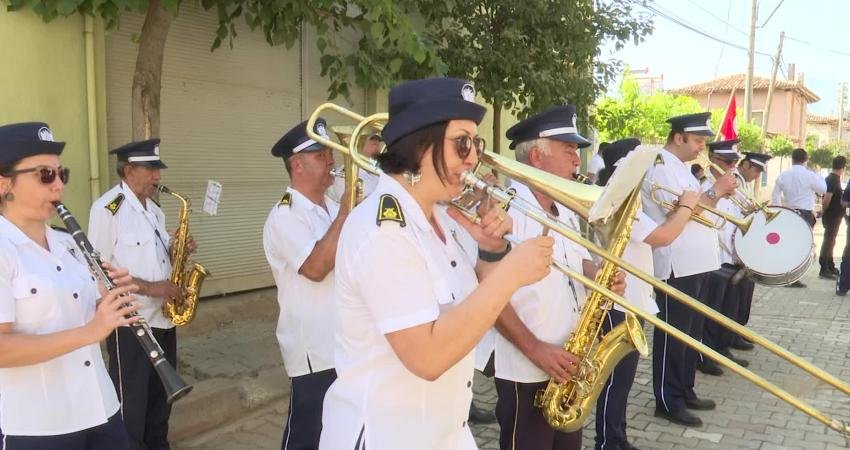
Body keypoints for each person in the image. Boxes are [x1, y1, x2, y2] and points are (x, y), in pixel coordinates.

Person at [319, 77, 554, 450]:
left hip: (444, 433)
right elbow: (427, 357)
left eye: (476, 144)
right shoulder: (383, 230)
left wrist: (492, 253)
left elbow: (467, 308)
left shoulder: (440, 217)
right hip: (387, 436)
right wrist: (509, 275)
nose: (474, 157)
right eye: (462, 143)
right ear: (420, 144)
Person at [0, 122, 141, 450]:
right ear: (5, 184)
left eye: (62, 173)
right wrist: (92, 331)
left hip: (100, 407)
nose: (59, 185)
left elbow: (82, 312)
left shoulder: (70, 244)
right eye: (44, 175)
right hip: (38, 425)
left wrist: (108, 299)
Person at [494, 105, 625, 450]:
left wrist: (601, 278)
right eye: (569, 151)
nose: (577, 162)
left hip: (570, 361)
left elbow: (580, 263)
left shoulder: (565, 207)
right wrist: (536, 349)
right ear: (537, 156)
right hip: (528, 367)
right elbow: (489, 296)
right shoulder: (503, 209)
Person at [594, 137, 700, 450]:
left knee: (623, 381)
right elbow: (664, 236)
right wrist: (687, 206)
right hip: (619, 301)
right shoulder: (620, 206)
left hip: (634, 298)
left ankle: (617, 437)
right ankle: (607, 442)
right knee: (614, 380)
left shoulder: (629, 204)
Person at [88, 139, 191, 450]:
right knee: (132, 402)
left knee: (162, 400)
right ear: (129, 170)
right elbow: (97, 271)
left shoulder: (155, 211)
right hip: (130, 322)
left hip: (162, 319)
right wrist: (151, 288)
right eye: (151, 170)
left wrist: (178, 252)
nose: (157, 177)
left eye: (157, 170)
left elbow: (157, 260)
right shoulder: (109, 209)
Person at [640, 112, 737, 427]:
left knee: (691, 335)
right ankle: (668, 400)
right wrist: (715, 192)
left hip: (698, 262)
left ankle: (684, 389)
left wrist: (715, 193)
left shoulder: (682, 169)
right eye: (697, 141)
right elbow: (684, 212)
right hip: (676, 264)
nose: (701, 148)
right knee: (674, 337)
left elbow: (695, 208)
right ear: (678, 137)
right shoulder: (659, 165)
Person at [262, 118, 352, 449]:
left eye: (329, 153)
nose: (331, 161)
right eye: (320, 155)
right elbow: (315, 267)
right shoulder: (285, 216)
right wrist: (345, 216)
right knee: (306, 436)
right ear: (297, 165)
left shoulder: (329, 205)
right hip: (314, 349)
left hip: (343, 340)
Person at [694, 140, 750, 378]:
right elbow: (710, 224)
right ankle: (704, 356)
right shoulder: (706, 187)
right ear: (713, 159)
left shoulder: (732, 187)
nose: (732, 167)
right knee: (709, 314)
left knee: (725, 311)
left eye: (734, 162)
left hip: (729, 258)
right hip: (713, 259)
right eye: (727, 162)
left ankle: (721, 348)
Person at [771, 148, 826, 229]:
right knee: (805, 240)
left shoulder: (783, 175)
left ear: (792, 159)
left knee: (789, 239)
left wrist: (779, 212)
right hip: (806, 215)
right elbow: (822, 190)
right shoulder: (810, 175)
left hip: (789, 214)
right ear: (806, 160)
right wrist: (818, 175)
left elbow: (775, 195)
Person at [328, 132, 382, 202]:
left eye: (378, 145)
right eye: (374, 144)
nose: (378, 149)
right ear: (357, 145)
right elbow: (353, 203)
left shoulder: (376, 173)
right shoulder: (343, 175)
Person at [819, 156, 846, 279]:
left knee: (831, 241)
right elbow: (827, 198)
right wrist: (823, 211)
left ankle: (830, 265)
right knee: (828, 241)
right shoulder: (833, 180)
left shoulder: (833, 179)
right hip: (832, 215)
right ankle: (824, 268)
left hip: (835, 215)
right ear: (843, 168)